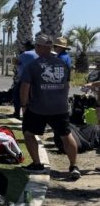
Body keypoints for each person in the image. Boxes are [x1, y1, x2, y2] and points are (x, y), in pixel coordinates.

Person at [20, 34, 80, 179]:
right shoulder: (63, 64)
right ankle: (74, 166)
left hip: (38, 108)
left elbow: (25, 87)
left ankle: (37, 164)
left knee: (28, 133)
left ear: (38, 47)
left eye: (36, 46)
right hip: (60, 108)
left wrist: (24, 105)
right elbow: (67, 85)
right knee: (66, 135)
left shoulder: (33, 66)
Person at [13, 40, 39, 119]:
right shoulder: (38, 54)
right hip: (37, 80)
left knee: (16, 95)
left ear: (27, 47)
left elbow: (16, 62)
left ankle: (17, 113)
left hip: (25, 79)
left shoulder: (25, 54)